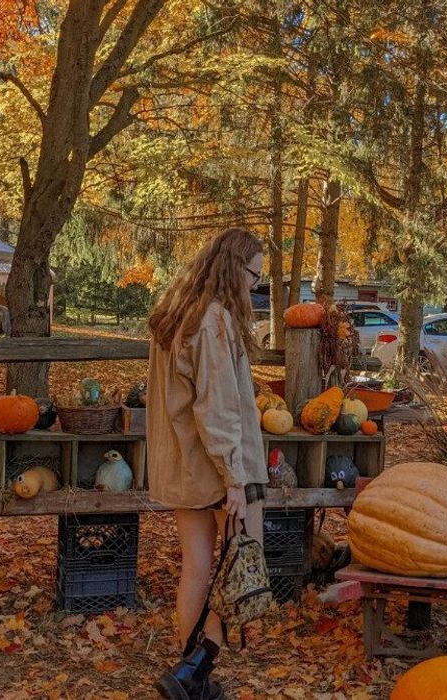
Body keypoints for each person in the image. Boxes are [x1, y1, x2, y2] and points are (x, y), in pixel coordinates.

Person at [146, 227, 269, 699]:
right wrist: (235, 478)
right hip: (221, 469)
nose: (254, 287)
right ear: (232, 267)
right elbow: (216, 408)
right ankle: (193, 670)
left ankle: (191, 679)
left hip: (185, 466)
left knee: (199, 567)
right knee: (242, 566)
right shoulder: (213, 320)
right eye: (254, 276)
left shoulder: (175, 313)